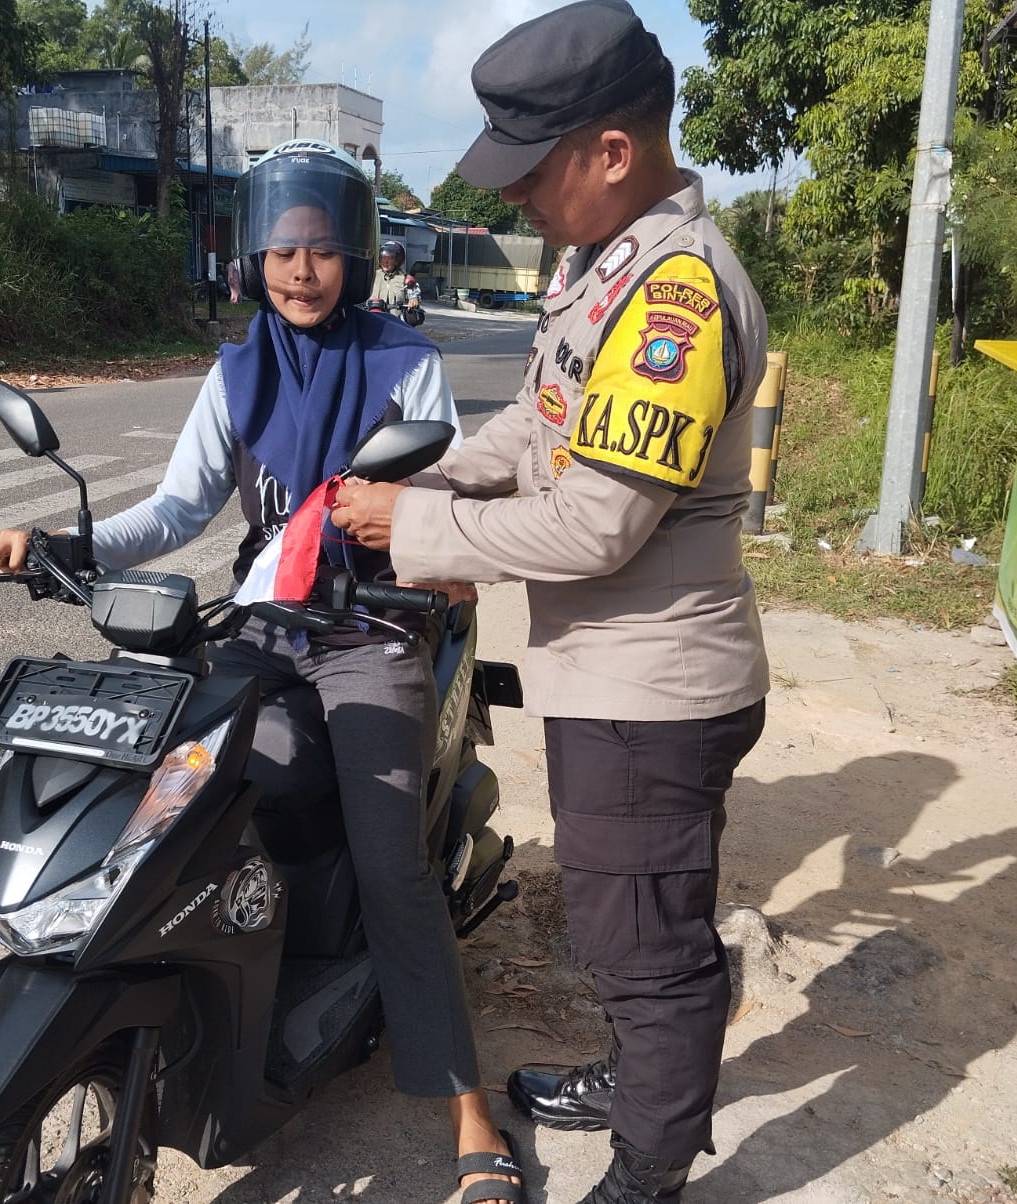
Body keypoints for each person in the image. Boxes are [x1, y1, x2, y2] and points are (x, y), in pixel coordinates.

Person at [0, 140, 524, 1204]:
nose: (300, 269)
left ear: (355, 259)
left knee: (387, 860)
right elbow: (175, 511)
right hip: (264, 630)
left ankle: (470, 1114)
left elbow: (446, 489)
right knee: (178, 792)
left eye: (321, 249)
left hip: (370, 631)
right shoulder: (237, 369)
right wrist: (62, 544)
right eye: (282, 247)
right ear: (251, 258)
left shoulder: (401, 360)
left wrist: (442, 560)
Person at [329, 3, 770, 1201]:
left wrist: (411, 529)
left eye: (532, 172)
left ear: (612, 153)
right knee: (624, 929)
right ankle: (638, 1086)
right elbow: (544, 424)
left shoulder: (675, 298)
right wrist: (424, 471)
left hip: (653, 692)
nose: (516, 198)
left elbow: (596, 519)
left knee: (649, 955)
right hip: (611, 679)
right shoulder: (602, 265)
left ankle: (646, 1172)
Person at [371, 239, 411, 318]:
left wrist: (413, 299)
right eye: (383, 258)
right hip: (373, 317)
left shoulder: (404, 277)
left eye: (390, 258)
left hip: (395, 320)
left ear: (397, 261)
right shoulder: (372, 275)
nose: (386, 262)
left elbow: (413, 290)